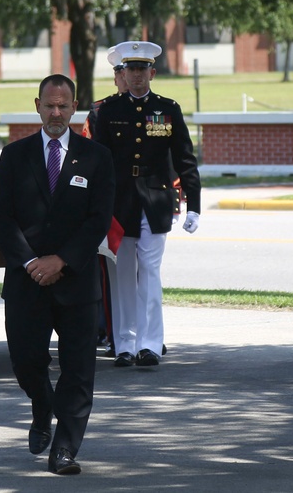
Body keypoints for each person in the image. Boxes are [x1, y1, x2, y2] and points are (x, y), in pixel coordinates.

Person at [0, 74, 115, 475]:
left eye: (64, 106)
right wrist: (30, 263)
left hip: (76, 283)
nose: (56, 113)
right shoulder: (14, 155)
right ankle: (42, 407)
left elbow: (98, 220)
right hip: (26, 282)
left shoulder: (97, 157)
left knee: (78, 372)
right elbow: (1, 218)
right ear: (37, 105)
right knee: (26, 362)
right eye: (49, 105)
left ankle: (64, 450)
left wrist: (61, 260)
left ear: (74, 107)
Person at [92, 41, 201, 367]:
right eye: (131, 70)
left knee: (150, 273)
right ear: (122, 73)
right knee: (123, 274)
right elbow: (99, 161)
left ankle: (150, 344)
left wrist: (194, 204)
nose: (136, 76)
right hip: (120, 202)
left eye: (142, 69)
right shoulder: (110, 111)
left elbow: (185, 159)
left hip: (155, 201)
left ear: (152, 72)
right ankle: (124, 344)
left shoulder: (168, 109)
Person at [81, 47, 127, 358]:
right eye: (122, 72)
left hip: (145, 205)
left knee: (144, 274)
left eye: (136, 70)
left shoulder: (159, 110)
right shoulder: (99, 113)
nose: (128, 77)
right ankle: (111, 332)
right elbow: (87, 158)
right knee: (108, 274)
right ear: (115, 77)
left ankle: (145, 334)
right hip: (112, 205)